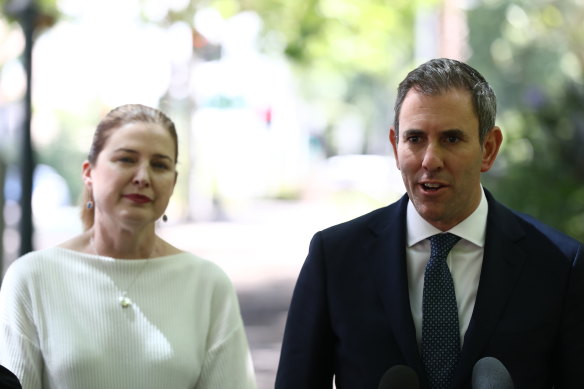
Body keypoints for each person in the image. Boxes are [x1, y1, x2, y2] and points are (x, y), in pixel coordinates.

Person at [275, 58, 584, 389]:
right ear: (395, 146)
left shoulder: (558, 265)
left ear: (489, 148)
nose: (430, 160)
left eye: (451, 139)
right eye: (415, 139)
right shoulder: (334, 258)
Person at [0, 104, 257, 389]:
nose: (142, 177)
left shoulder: (208, 285)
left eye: (159, 165)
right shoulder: (31, 277)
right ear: (89, 172)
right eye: (126, 159)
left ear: (173, 182)